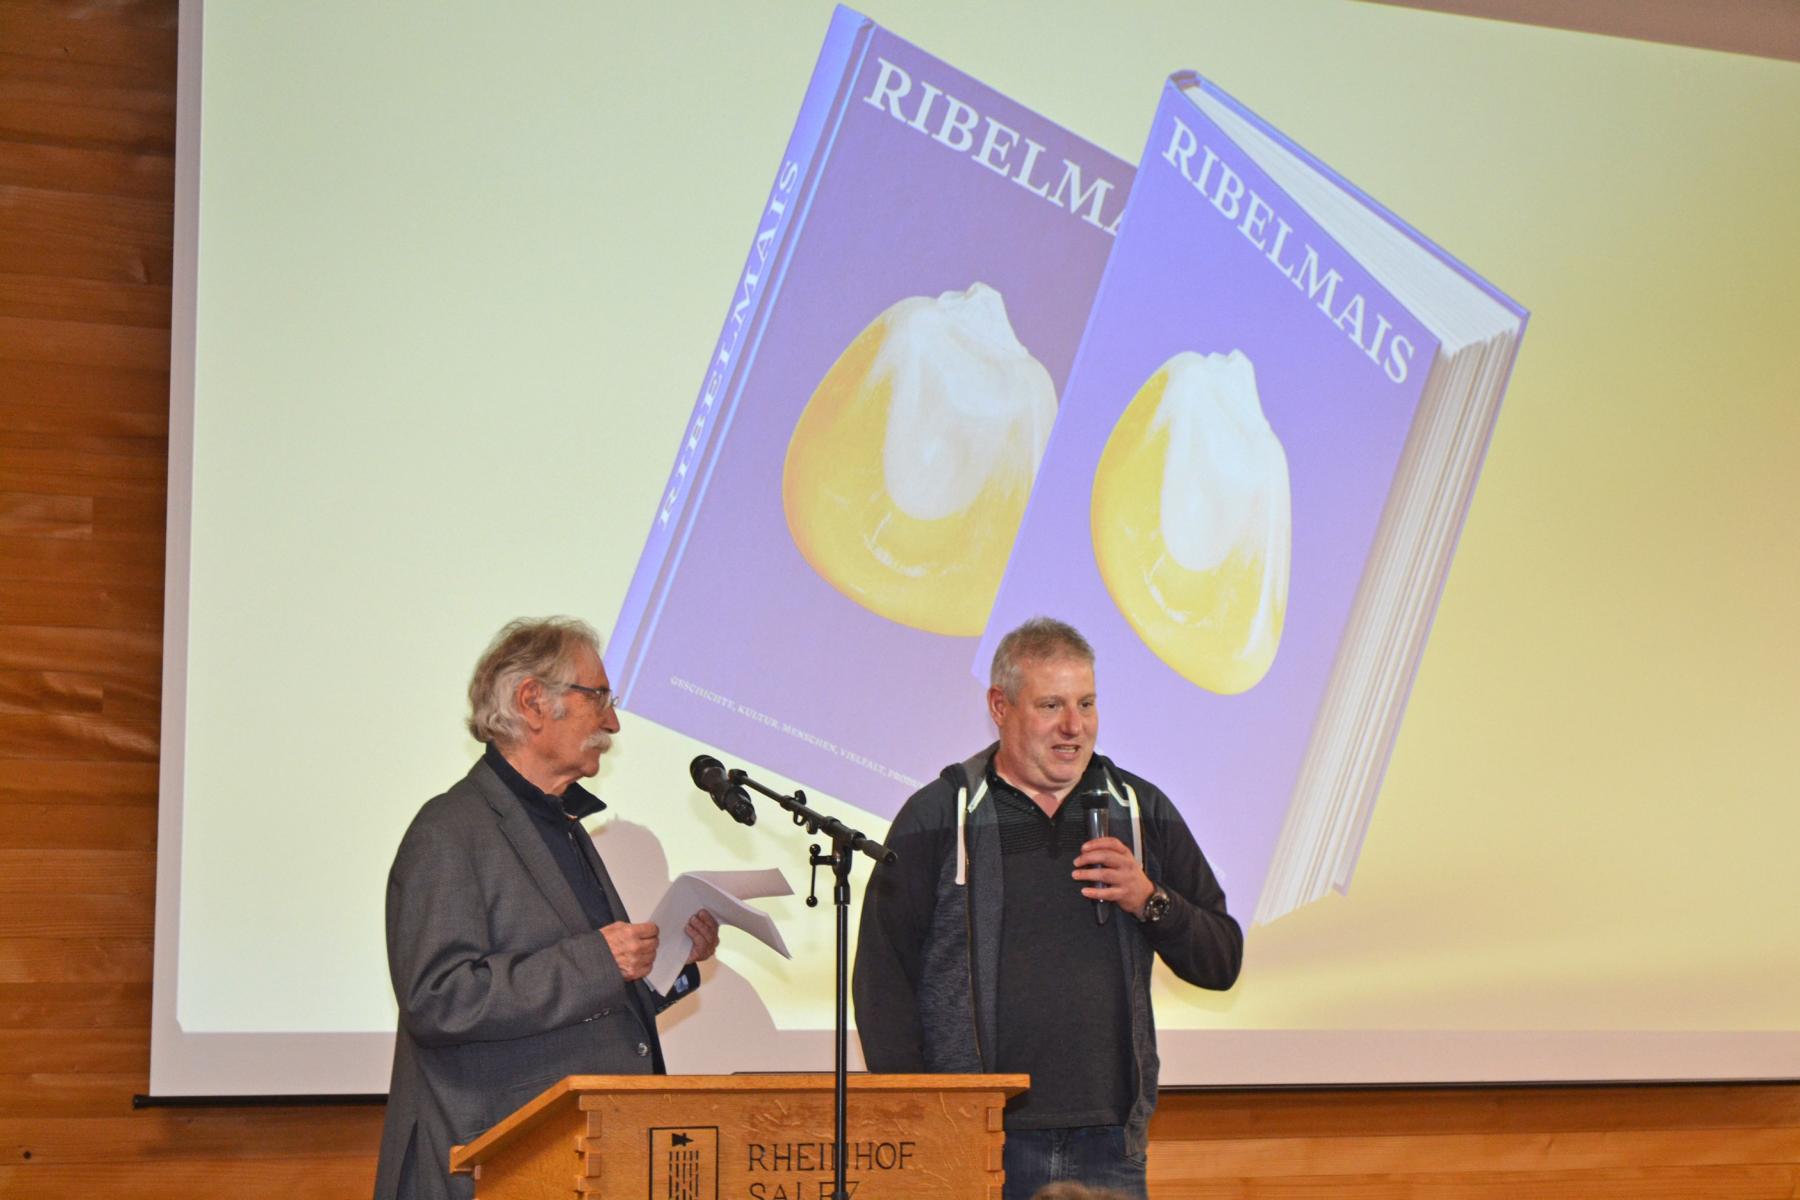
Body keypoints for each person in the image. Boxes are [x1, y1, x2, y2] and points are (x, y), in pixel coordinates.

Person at [853, 616, 1243, 1200]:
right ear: (1000, 706)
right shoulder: (938, 816)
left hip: (1109, 1143)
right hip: (977, 1139)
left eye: (1086, 704)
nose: (1074, 727)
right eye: (1052, 705)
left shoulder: (1139, 811)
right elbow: (882, 981)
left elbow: (1222, 959)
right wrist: (924, 1117)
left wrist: (1150, 899)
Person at [374, 617, 721, 1200]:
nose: (611, 722)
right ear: (532, 701)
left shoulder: (562, 826)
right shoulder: (449, 832)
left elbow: (582, 999)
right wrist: (599, 961)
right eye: (597, 698)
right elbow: (439, 1000)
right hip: (496, 1164)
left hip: (579, 1160)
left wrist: (670, 962)